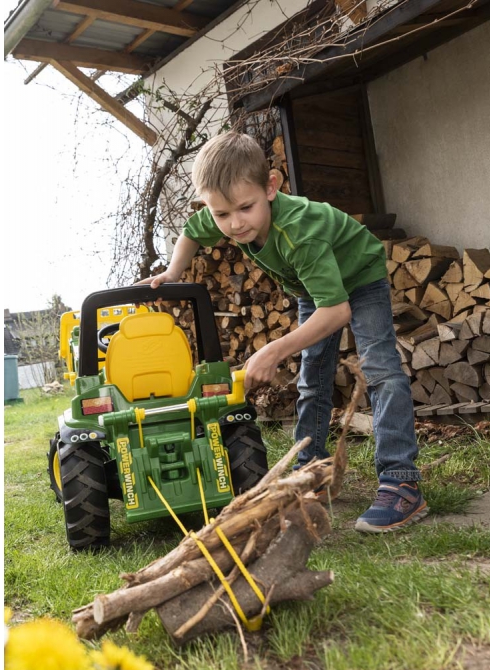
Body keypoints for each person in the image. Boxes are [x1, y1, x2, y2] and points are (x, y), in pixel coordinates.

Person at [138, 132, 427, 532]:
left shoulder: (298, 232)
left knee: (380, 368)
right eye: (222, 214)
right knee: (313, 378)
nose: (235, 223)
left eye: (245, 208)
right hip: (312, 287)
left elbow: (337, 310)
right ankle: (310, 475)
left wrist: (273, 350)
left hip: (358, 277)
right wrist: (173, 271)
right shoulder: (221, 214)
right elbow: (191, 232)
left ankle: (401, 484)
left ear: (271, 186)